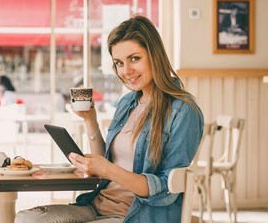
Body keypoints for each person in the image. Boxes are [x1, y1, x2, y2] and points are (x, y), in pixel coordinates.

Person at [15, 15, 204, 223]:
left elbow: (168, 187)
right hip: (97, 206)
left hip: (135, 216)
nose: (126, 71)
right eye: (119, 63)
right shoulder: (127, 102)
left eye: (135, 58)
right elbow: (104, 168)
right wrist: (90, 120)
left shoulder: (183, 111)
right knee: (27, 218)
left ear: (155, 55)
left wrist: (108, 170)